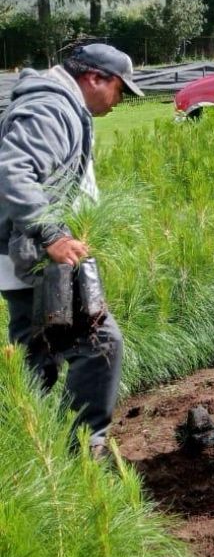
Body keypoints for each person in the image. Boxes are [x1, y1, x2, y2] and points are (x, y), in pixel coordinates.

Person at [0, 43, 141, 455]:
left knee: (37, 355)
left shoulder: (57, 103)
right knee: (100, 344)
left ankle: (29, 449)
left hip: (31, 254)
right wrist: (53, 234)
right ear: (95, 78)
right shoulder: (51, 108)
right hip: (37, 253)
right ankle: (80, 449)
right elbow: (13, 170)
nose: (119, 102)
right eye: (120, 89)